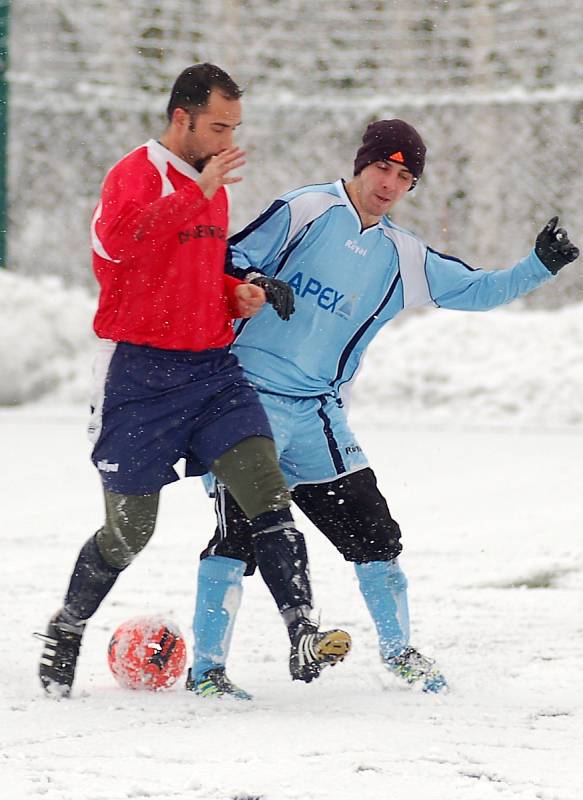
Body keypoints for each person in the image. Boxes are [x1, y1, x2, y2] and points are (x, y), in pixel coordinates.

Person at [190, 118, 580, 697]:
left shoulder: (402, 255)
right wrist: (251, 278)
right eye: (382, 168)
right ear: (360, 164)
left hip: (318, 414)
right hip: (244, 400)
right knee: (238, 535)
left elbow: (477, 291)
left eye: (404, 177)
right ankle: (207, 671)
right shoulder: (305, 210)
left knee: (376, 534)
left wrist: (538, 266)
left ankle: (399, 652)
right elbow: (225, 256)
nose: (390, 183)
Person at [35, 63, 351, 699]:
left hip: (211, 371)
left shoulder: (215, 185)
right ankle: (66, 627)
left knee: (266, 484)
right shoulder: (137, 174)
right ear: (182, 119)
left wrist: (236, 294)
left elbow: (193, 274)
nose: (229, 139)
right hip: (138, 376)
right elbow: (119, 246)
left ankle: (303, 631)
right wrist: (194, 191)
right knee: (131, 532)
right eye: (218, 125)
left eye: (235, 126)